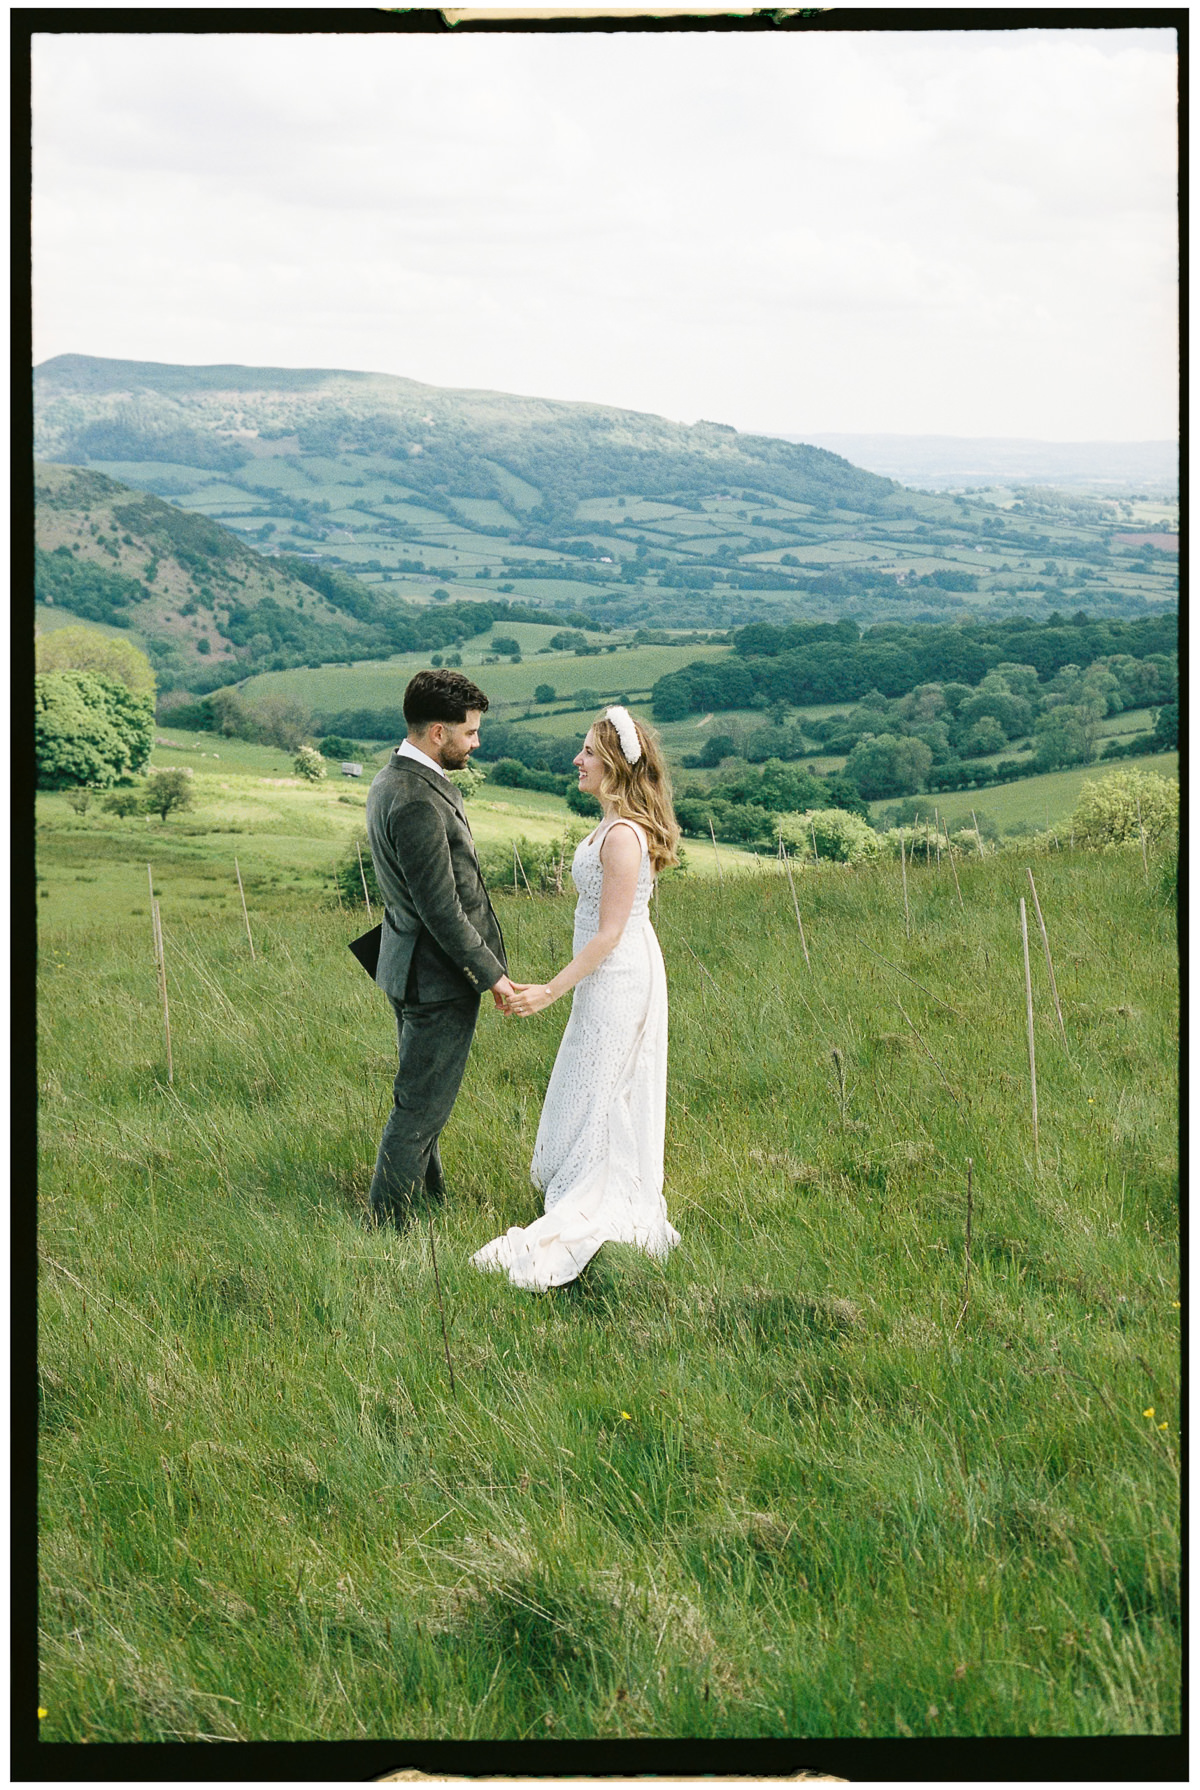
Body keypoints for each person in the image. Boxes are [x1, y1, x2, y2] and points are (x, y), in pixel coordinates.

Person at [472, 706, 681, 1290]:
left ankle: (601, 1193)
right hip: (604, 976)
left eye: (588, 751)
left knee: (608, 1084)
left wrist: (549, 991)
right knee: (592, 1078)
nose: (577, 760)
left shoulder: (622, 836)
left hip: (619, 975)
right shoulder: (606, 827)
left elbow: (610, 933)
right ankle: (580, 1173)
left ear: (614, 764)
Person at [364, 669, 516, 1227]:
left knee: (423, 1098)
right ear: (436, 732)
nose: (476, 742)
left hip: (405, 963)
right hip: (435, 975)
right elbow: (441, 908)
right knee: (420, 1107)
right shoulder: (416, 800)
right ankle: (389, 1227)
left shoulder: (390, 778)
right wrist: (491, 975)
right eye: (470, 732)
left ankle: (429, 1206)